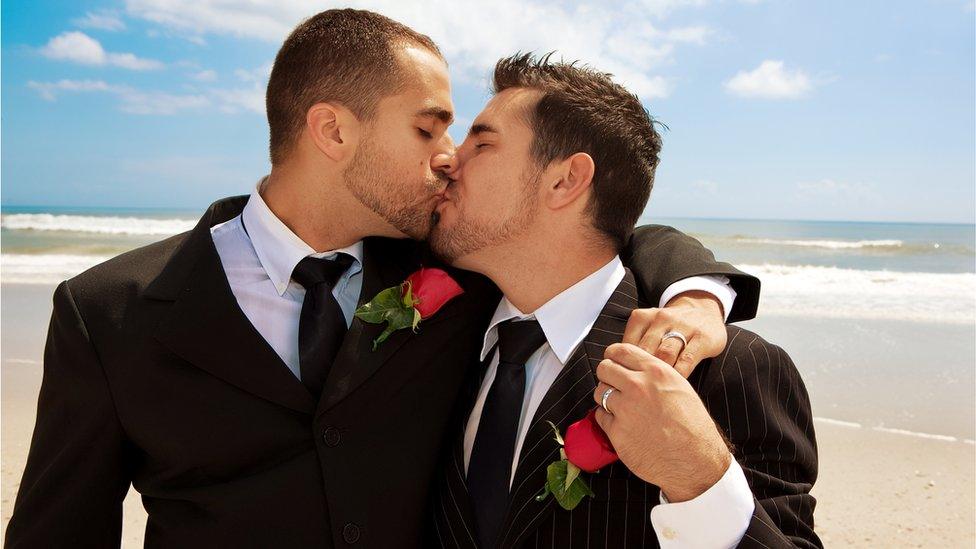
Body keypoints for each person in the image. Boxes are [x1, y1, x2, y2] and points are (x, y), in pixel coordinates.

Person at [5, 10, 760, 548]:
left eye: (460, 133)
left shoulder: (451, 275)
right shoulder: (108, 311)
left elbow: (593, 242)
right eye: (428, 128)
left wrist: (699, 290)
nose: (449, 156)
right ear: (333, 130)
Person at [430, 54, 819, 548]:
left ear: (566, 180)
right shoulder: (445, 329)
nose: (447, 159)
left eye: (482, 143)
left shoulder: (731, 370)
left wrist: (701, 481)